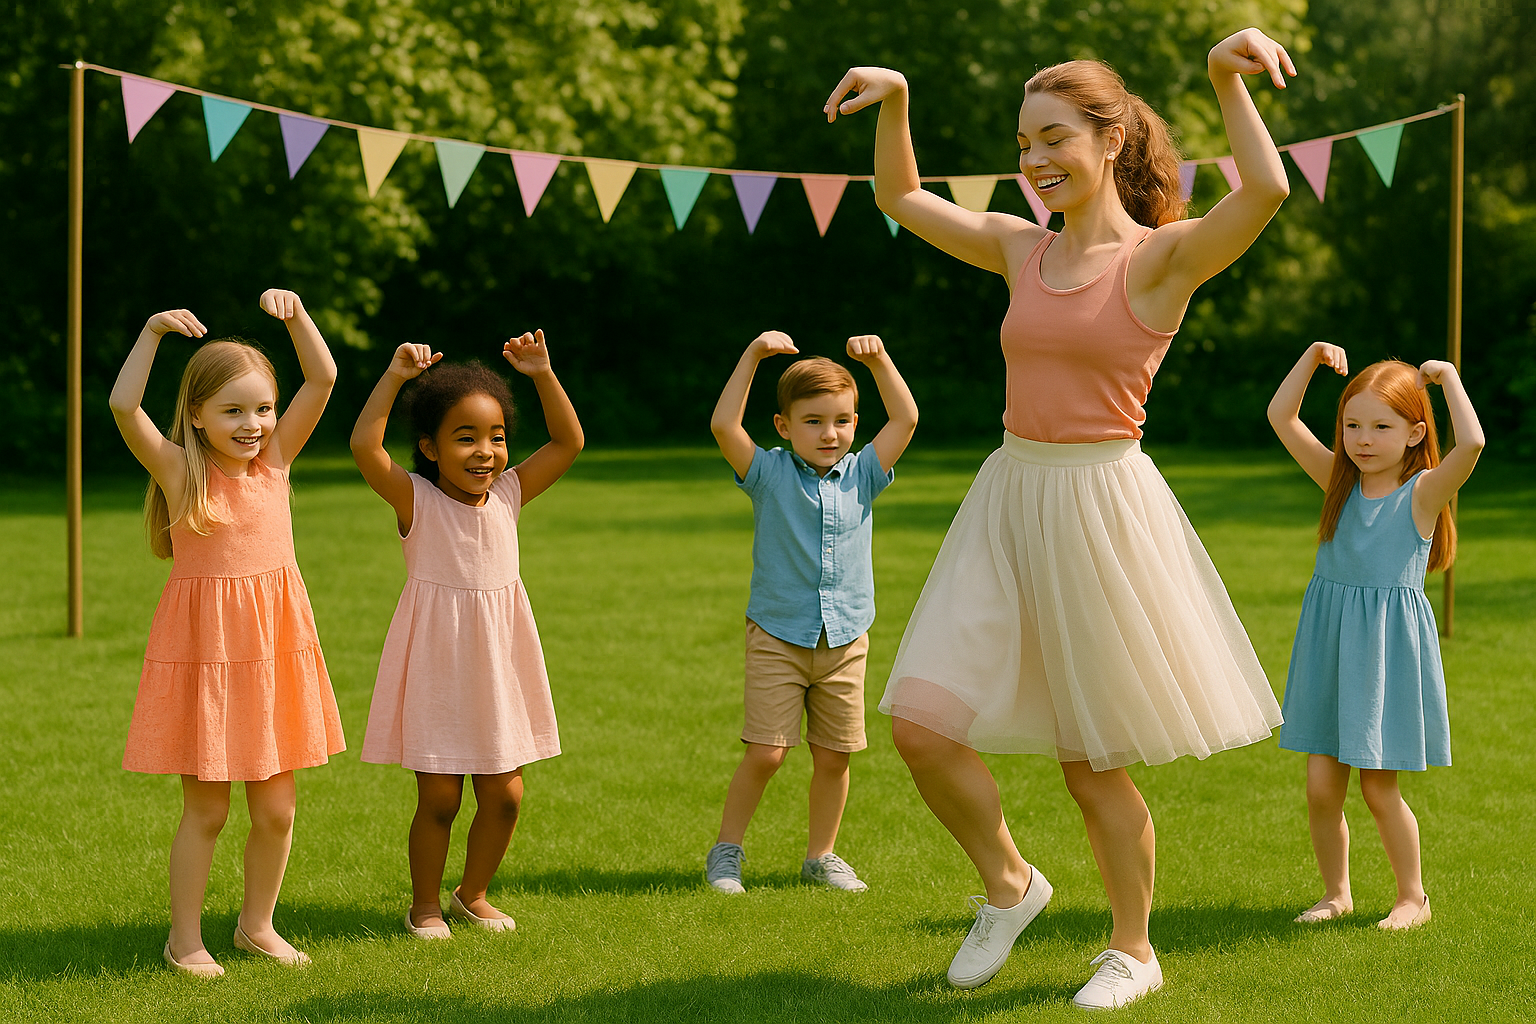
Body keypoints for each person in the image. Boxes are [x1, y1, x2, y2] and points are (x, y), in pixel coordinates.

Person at [823, 26, 1296, 1010]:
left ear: (1110, 140)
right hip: (1008, 496)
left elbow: (1266, 193)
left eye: (1053, 138)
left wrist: (1223, 79)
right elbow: (901, 200)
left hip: (1101, 506)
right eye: (1024, 143)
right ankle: (1010, 883)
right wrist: (901, 95)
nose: (1035, 161)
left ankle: (1133, 949)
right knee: (918, 722)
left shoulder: (1162, 262)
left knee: (1092, 762)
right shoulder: (1016, 247)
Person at [109, 290, 345, 977]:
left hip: (274, 658)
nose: (253, 424)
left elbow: (323, 378)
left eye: (263, 408)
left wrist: (299, 317)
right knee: (207, 812)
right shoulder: (182, 473)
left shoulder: (276, 463)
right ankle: (184, 940)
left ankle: (256, 926)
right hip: (208, 660)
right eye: (233, 410)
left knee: (277, 811)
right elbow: (125, 408)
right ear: (197, 416)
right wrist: (152, 330)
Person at [351, 330, 582, 938]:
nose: (485, 451)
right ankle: (424, 905)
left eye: (497, 437)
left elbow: (568, 441)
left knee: (506, 796)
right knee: (441, 800)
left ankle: (471, 894)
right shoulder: (416, 500)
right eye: (466, 437)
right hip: (436, 668)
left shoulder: (509, 495)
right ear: (429, 447)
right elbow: (363, 445)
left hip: (499, 667)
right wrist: (395, 377)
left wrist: (542, 372)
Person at [1267, 344, 1483, 930]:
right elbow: (1281, 418)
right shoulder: (1337, 482)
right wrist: (1308, 360)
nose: (1363, 438)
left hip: (1384, 655)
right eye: (1352, 425)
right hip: (1329, 649)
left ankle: (1413, 897)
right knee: (1319, 788)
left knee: (1378, 789)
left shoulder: (1421, 495)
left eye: (1381, 426)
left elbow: (1472, 445)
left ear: (1414, 434)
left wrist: (1450, 381)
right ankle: (1337, 893)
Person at [704, 331, 918, 894]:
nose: (831, 433)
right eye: (814, 421)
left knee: (834, 757)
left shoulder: (864, 474)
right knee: (768, 753)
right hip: (778, 635)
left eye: (843, 421)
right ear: (783, 426)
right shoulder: (769, 474)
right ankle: (726, 853)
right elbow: (725, 427)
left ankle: (821, 856)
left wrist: (878, 361)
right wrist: (750, 355)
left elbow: (906, 419)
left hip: (846, 639)